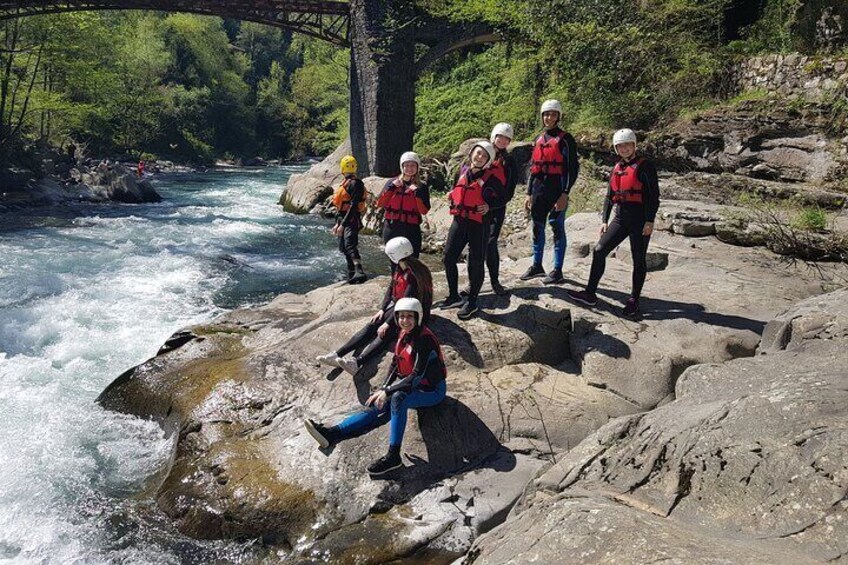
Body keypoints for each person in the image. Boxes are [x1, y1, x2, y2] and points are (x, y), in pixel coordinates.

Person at [304, 297, 447, 477]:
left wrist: (387, 391)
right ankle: (332, 434)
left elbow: (415, 376)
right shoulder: (403, 333)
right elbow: (396, 363)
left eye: (410, 316)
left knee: (397, 398)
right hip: (414, 387)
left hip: (432, 391)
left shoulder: (424, 340)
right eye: (401, 316)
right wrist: (384, 387)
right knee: (379, 404)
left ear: (418, 317)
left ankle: (393, 457)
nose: (405, 320)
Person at [566, 128, 660, 318]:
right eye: (620, 146)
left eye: (627, 145)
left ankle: (634, 300)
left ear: (634, 145)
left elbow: (653, 196)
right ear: (616, 149)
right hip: (620, 218)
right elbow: (609, 196)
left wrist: (650, 220)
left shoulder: (645, 166)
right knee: (599, 250)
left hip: (640, 219)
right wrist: (604, 220)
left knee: (638, 258)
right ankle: (590, 293)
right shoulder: (617, 168)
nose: (624, 149)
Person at [316, 237, 433, 375]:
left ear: (395, 256)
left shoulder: (413, 276)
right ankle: (337, 354)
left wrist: (388, 323)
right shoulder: (400, 269)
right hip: (401, 306)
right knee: (373, 324)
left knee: (384, 333)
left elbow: (405, 303)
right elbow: (391, 289)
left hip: (412, 312)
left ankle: (357, 363)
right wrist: (382, 309)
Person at [441, 140, 505, 320]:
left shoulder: (491, 178)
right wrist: (451, 196)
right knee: (448, 258)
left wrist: (489, 206)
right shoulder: (462, 171)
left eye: (484, 156)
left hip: (479, 225)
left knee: (476, 262)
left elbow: (503, 197)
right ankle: (454, 295)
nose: (479, 157)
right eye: (478, 153)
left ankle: (472, 302)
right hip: (460, 221)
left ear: (488, 160)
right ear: (471, 154)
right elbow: (456, 189)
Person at [520, 99, 579, 285]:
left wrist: (565, 193)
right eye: (546, 114)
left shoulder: (566, 139)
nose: (549, 117)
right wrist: (528, 193)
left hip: (557, 189)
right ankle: (537, 265)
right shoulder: (539, 139)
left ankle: (557, 270)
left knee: (556, 226)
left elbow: (572, 168)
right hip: (538, 189)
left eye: (553, 114)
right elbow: (532, 168)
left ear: (558, 116)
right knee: (537, 227)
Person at [376, 151, 430, 262]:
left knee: (413, 261)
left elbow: (424, 211)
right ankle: (395, 279)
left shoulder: (422, 187)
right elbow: (380, 203)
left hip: (411, 228)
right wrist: (391, 188)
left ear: (417, 167)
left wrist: (417, 194)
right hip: (392, 227)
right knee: (394, 261)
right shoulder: (392, 182)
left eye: (413, 165)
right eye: (407, 165)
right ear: (402, 167)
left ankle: (412, 280)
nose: (410, 168)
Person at [485, 123, 519, 295]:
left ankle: (495, 281)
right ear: (493, 137)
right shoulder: (482, 154)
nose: (503, 140)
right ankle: (472, 282)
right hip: (477, 208)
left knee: (490, 242)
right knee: (476, 245)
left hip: (496, 208)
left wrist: (491, 206)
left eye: (507, 138)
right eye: (500, 137)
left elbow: (509, 191)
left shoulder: (509, 161)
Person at [332, 155, 368, 284]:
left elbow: (353, 206)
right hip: (344, 218)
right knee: (343, 247)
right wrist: (338, 223)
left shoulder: (356, 183)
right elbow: (340, 208)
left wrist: (343, 224)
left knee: (350, 245)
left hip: (352, 218)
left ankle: (359, 271)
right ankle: (351, 273)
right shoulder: (347, 183)